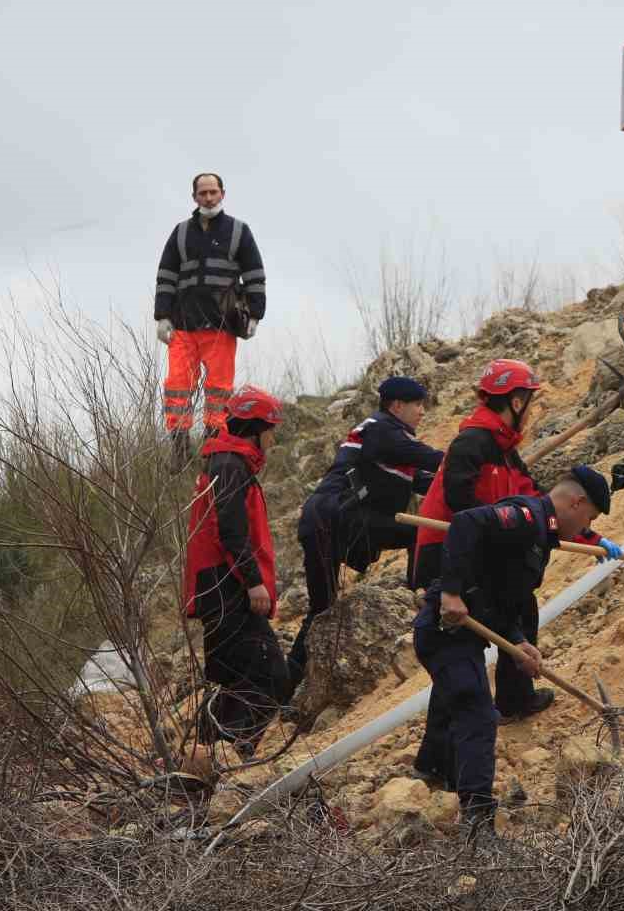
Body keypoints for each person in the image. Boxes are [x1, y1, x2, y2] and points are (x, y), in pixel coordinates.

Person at [410, 359, 622, 720]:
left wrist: (592, 537)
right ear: (517, 402)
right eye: (530, 401)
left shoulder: (505, 450)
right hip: (448, 552)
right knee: (461, 647)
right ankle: (461, 728)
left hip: (481, 546)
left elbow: (540, 501)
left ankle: (513, 700)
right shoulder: (472, 441)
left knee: (521, 606)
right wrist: (502, 530)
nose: (531, 409)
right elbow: (460, 501)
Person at [411, 467, 611, 839]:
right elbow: (465, 524)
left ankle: (432, 769)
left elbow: (503, 598)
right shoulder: (525, 518)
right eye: (590, 518)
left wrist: (518, 642)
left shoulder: (541, 536)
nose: (586, 528)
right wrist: (451, 592)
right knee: (478, 713)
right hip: (445, 629)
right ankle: (478, 826)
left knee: (456, 695)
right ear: (576, 502)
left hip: (465, 633)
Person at [286, 376, 445, 694]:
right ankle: (423, 597)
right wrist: (469, 461)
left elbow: (421, 480)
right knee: (420, 531)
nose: (422, 412)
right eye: (417, 405)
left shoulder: (383, 441)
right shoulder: (382, 430)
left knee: (321, 610)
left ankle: (285, 684)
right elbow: (429, 459)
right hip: (336, 518)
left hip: (325, 520)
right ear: (397, 406)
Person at [184, 385, 289, 756]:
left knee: (234, 681)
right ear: (256, 430)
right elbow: (230, 529)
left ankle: (205, 761)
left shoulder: (225, 461)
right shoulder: (230, 464)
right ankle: (230, 757)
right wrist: (254, 583)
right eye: (270, 430)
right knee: (270, 676)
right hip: (228, 588)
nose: (273, 439)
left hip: (217, 587)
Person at [154, 172, 268, 464]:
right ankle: (179, 453)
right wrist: (162, 316)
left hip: (222, 325)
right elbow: (166, 275)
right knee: (177, 387)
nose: (208, 197)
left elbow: (254, 274)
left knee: (218, 391)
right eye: (203, 193)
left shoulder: (239, 231)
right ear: (194, 197)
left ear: (222, 194)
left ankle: (213, 450)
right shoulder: (180, 233)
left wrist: (255, 314)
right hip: (183, 324)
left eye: (213, 192)